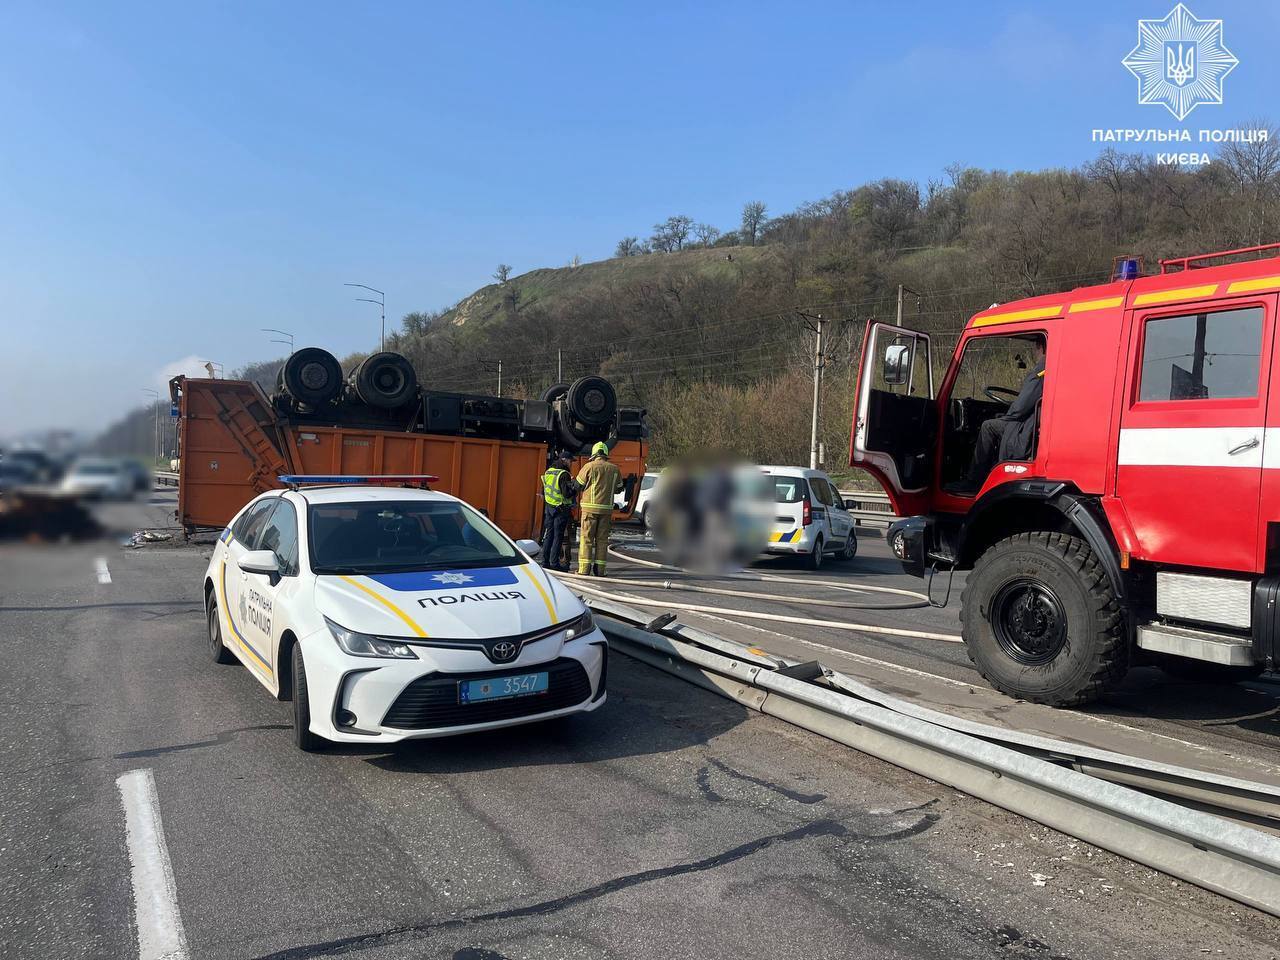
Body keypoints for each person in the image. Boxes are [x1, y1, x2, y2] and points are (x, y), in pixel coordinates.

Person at [956, 338, 1046, 493]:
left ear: (1041, 347)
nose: (1034, 352)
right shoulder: (1051, 369)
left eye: (1035, 348)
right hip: (1031, 422)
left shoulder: (1040, 371)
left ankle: (974, 481)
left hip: (1026, 427)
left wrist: (1006, 416)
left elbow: (1020, 407)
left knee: (988, 426)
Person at [575, 441, 623, 576]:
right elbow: (619, 488)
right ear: (606, 454)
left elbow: (578, 485)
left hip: (589, 510)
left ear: (594, 454)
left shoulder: (588, 466)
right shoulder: (614, 469)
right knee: (602, 541)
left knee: (587, 539)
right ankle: (600, 571)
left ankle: (584, 570)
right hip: (606, 510)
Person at [539, 457, 576, 572]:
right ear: (565, 461)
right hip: (561, 509)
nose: (571, 464)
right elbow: (566, 494)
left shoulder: (549, 472)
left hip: (549, 508)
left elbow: (544, 490)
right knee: (558, 536)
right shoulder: (564, 474)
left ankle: (545, 562)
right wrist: (574, 487)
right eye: (571, 461)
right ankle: (554, 563)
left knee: (548, 535)